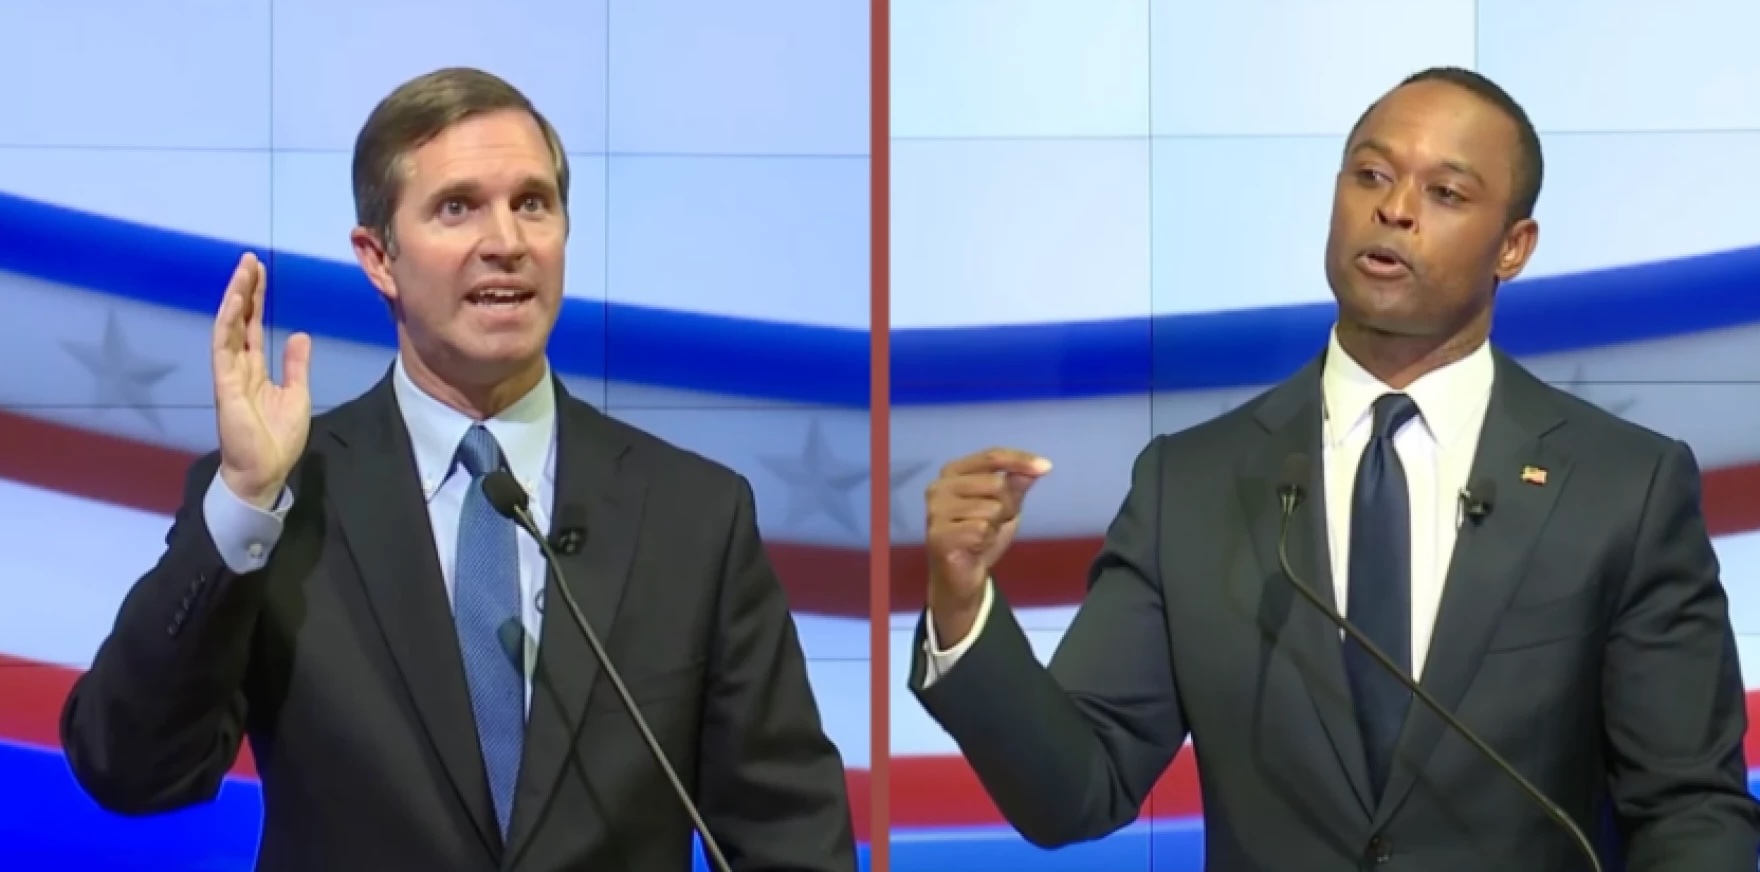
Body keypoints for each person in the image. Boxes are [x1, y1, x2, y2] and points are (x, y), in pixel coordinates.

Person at [910, 67, 1760, 870]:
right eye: (1369, 176)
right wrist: (961, 606)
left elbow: (1688, 808)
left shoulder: (1623, 488)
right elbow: (1074, 790)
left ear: (1514, 247)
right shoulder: (1192, 486)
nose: (1395, 210)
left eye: (1446, 193)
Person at [60, 67, 857, 872]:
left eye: (533, 203)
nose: (506, 241)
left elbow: (790, 837)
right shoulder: (283, 500)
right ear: (378, 259)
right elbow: (130, 769)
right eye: (457, 207)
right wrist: (241, 504)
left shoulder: (694, 515)